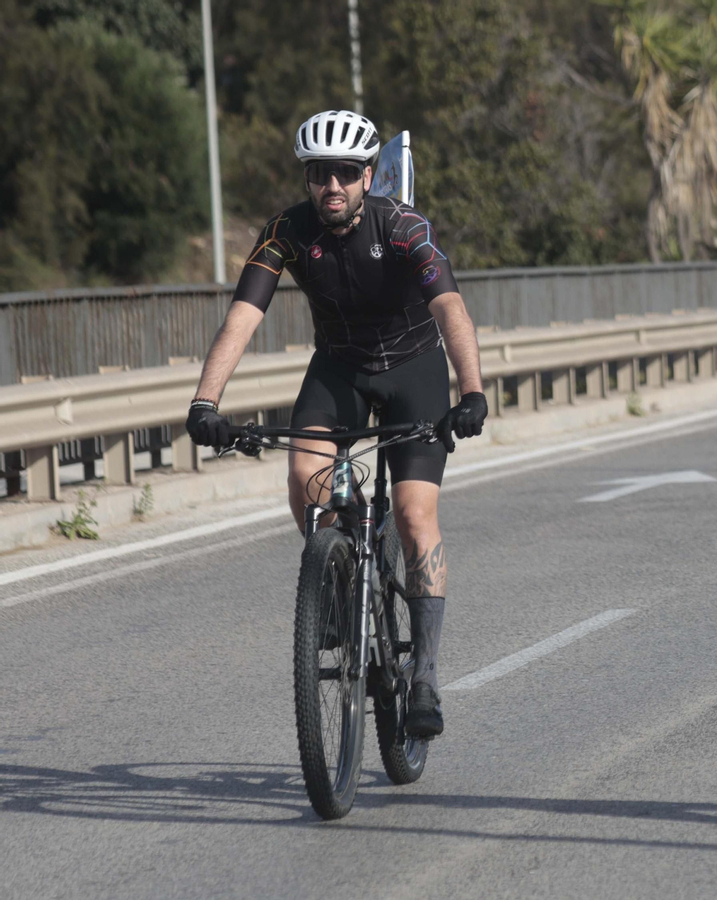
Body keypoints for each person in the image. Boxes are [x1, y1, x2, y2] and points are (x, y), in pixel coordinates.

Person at [185, 110, 488, 738]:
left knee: (412, 514)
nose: (333, 185)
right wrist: (205, 404)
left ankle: (425, 677)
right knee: (305, 476)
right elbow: (242, 318)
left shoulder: (402, 226)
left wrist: (472, 390)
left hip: (414, 369)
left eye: (346, 173)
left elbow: (450, 307)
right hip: (340, 369)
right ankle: (338, 577)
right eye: (320, 173)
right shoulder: (285, 233)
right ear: (307, 178)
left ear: (368, 175)